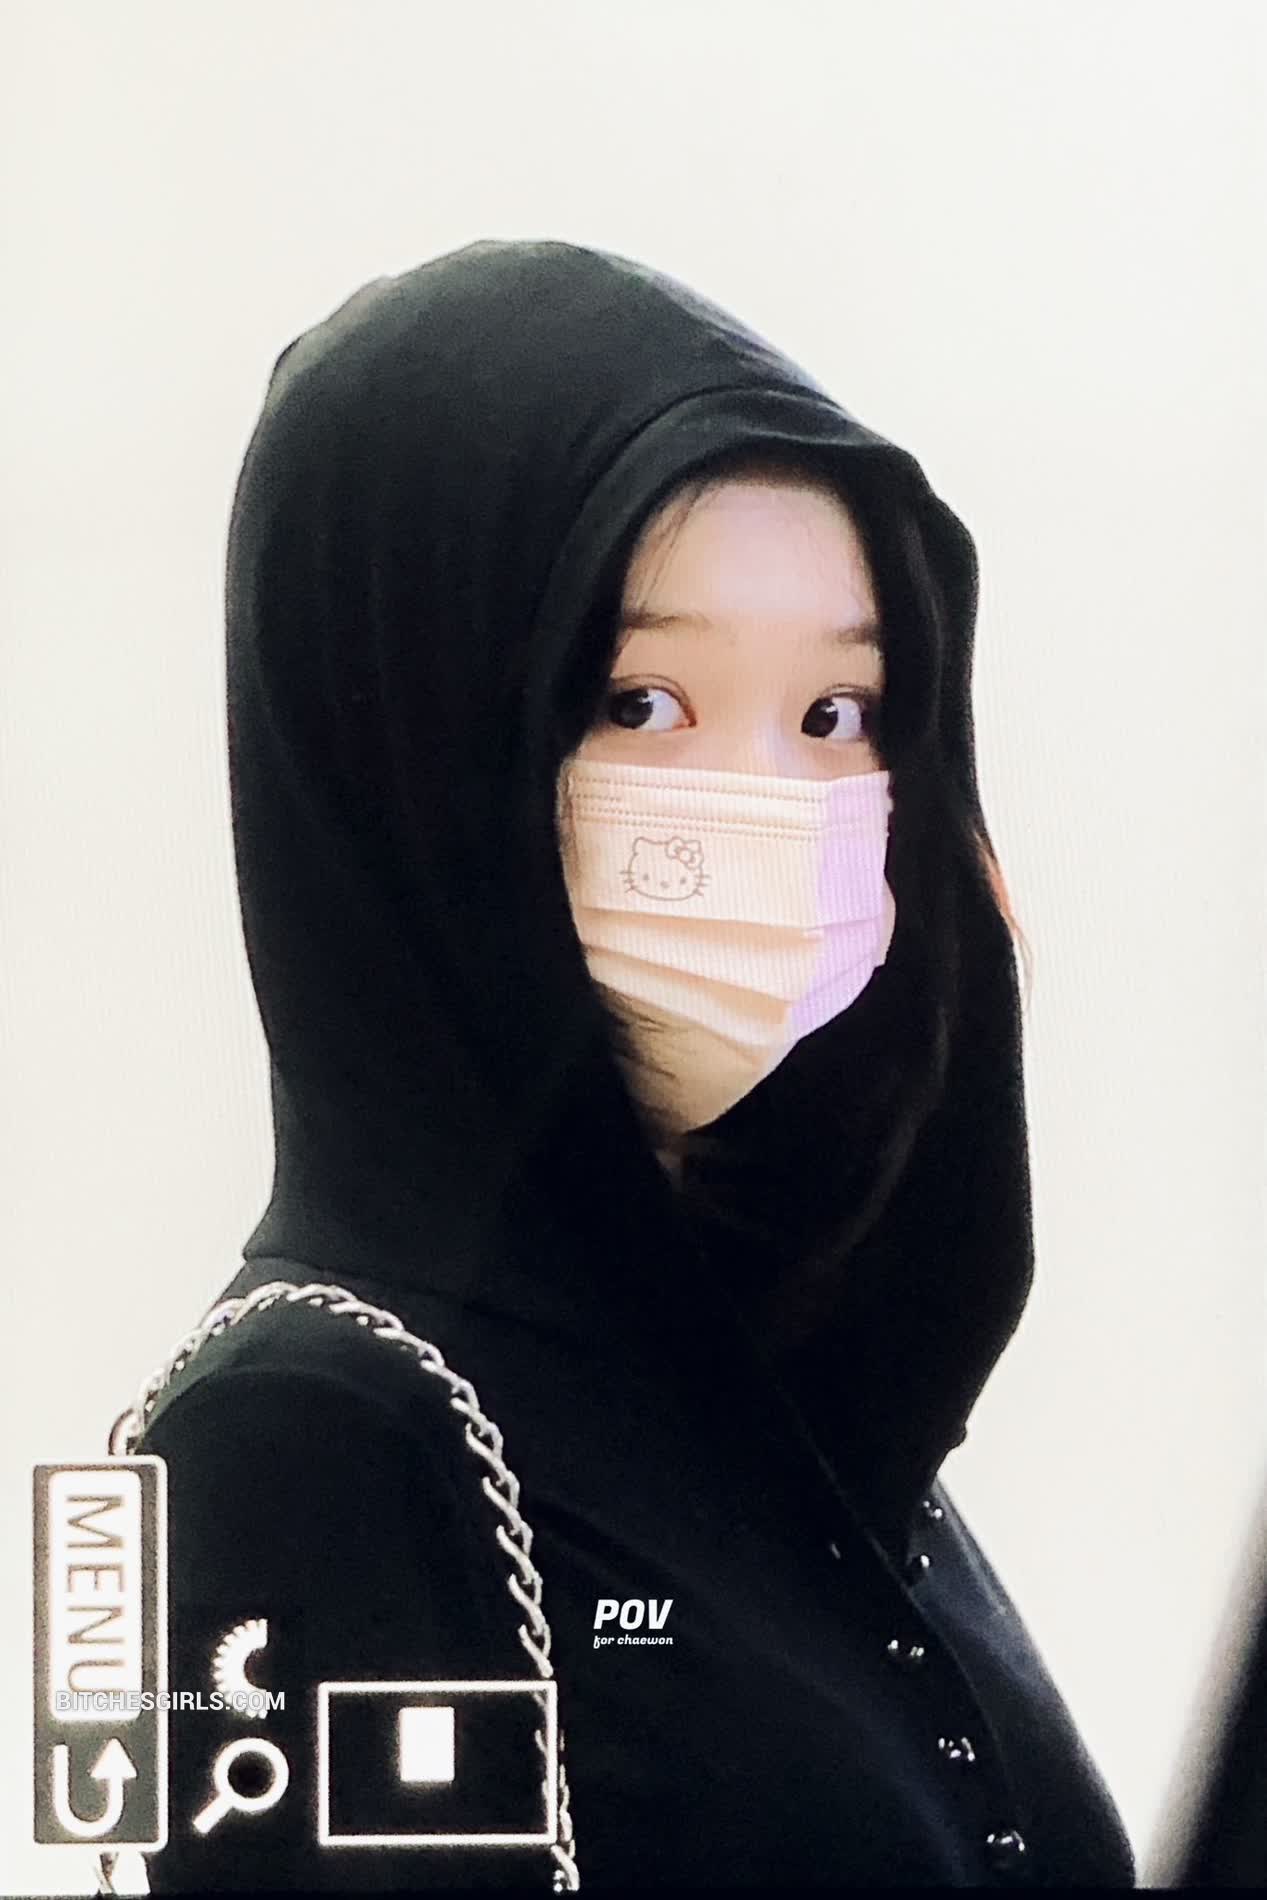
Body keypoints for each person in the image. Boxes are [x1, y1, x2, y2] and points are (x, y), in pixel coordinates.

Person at [97, 238, 1136, 1891]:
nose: (772, 808)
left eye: (839, 713)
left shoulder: (785, 1394)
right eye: (643, 701)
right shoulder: (291, 1446)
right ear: (408, 737)